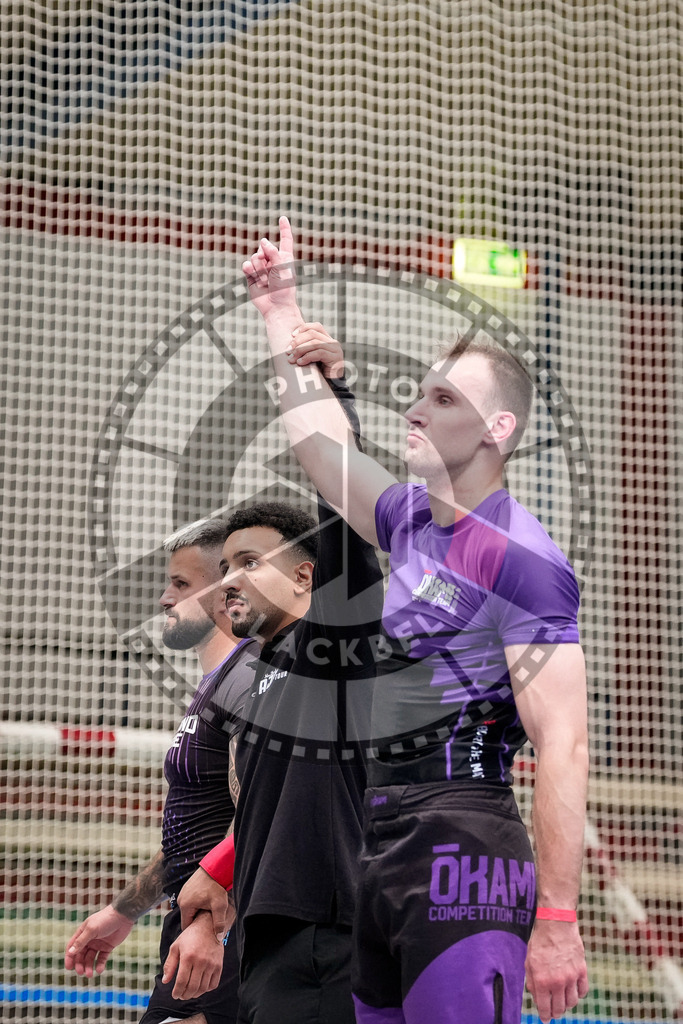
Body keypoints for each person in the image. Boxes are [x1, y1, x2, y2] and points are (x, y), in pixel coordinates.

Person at [235, 217, 590, 1024]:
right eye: (419, 392)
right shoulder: (411, 525)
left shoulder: (521, 559)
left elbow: (563, 744)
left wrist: (560, 921)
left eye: (442, 398)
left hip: (464, 847)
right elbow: (325, 456)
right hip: (381, 838)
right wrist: (279, 308)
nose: (416, 409)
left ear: (496, 430)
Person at [175, 366, 384, 1023]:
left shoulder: (332, 650)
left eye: (249, 563)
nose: (227, 581)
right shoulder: (254, 676)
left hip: (334, 935)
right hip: (270, 937)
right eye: (225, 567)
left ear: (305, 576)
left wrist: (327, 387)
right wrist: (217, 875)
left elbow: (345, 514)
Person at [65, 517, 258, 1024]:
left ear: (223, 594)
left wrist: (212, 927)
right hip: (196, 920)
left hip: (221, 929)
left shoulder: (247, 682)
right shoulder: (217, 686)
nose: (164, 600)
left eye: (180, 584)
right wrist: (125, 910)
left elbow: (262, 811)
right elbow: (192, 828)